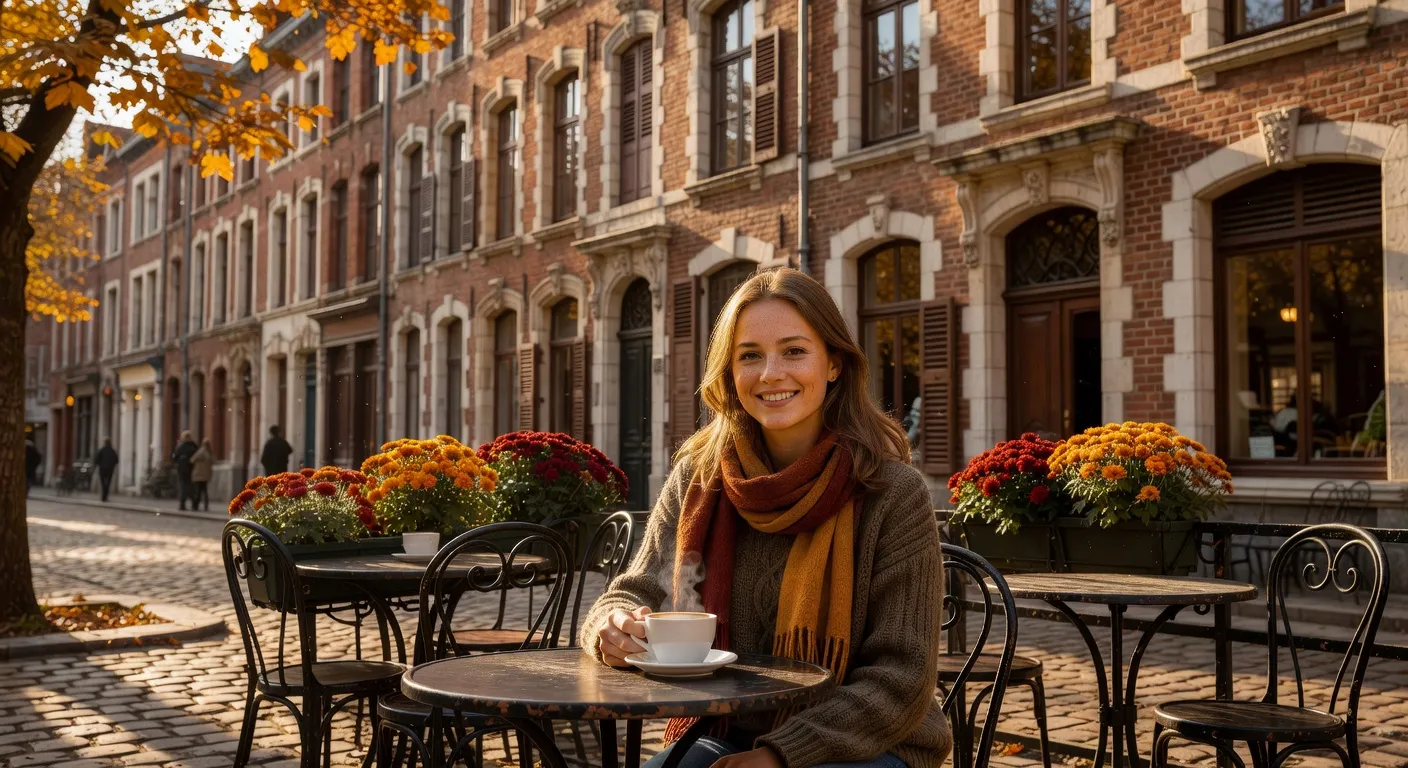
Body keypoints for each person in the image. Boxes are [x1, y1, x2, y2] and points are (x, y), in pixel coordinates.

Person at [581, 268, 950, 768]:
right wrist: (611, 626)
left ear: (834, 364)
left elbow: (900, 680)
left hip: (871, 743)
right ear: (729, 372)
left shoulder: (892, 493)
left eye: (794, 351)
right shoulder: (700, 477)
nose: (771, 373)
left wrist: (780, 755)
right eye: (750, 355)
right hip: (724, 729)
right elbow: (634, 590)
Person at [171, 431, 199, 510]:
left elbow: (175, 456)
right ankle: (194, 503)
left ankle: (182, 504)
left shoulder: (180, 447)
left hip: (182, 469)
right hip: (192, 469)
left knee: (183, 486)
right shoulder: (194, 446)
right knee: (192, 487)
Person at [191, 439, 214, 511]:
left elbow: (192, 460)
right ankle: (206, 506)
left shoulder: (200, 451)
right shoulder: (209, 453)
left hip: (198, 473)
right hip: (206, 474)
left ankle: (195, 506)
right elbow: (213, 462)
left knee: (198, 491)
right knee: (204, 491)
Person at [94, 437, 119, 502]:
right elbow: (116, 460)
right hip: (110, 469)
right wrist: (112, 465)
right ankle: (105, 496)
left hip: (102, 469)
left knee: (103, 483)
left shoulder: (102, 450)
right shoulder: (112, 451)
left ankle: (103, 496)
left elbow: (97, 460)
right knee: (108, 483)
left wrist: (99, 465)